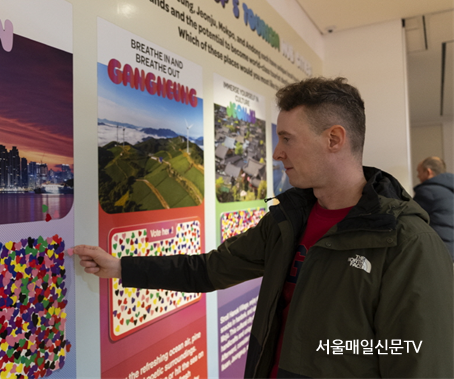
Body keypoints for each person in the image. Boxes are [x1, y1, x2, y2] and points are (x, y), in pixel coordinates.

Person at [74, 77, 454, 378]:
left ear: (334, 139)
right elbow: (208, 269)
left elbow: (419, 361)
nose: (276, 153)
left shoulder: (406, 243)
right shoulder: (287, 221)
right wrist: (121, 267)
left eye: (287, 138)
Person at [414, 156, 454, 261]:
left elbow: (413, 220)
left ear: (428, 172)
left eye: (419, 172)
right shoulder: (450, 190)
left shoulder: (427, 191)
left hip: (438, 251)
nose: (418, 176)